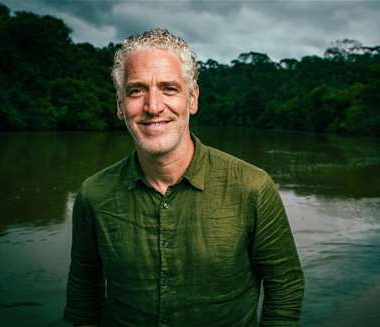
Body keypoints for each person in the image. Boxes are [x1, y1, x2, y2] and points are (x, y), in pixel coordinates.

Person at [63, 28, 304, 327]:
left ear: (192, 99)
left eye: (169, 89)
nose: (153, 107)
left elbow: (285, 287)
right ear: (119, 105)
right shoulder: (93, 195)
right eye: (137, 90)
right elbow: (83, 296)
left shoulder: (252, 187)